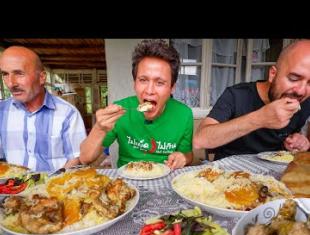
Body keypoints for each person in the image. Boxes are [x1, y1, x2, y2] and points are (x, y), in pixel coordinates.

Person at [80, 39, 193, 170]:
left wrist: (184, 158)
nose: (149, 91)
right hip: (126, 183)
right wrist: (99, 129)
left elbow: (188, 155)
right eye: (143, 80)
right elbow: (85, 158)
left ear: (172, 87)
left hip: (166, 178)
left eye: (160, 82)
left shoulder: (184, 114)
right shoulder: (119, 110)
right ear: (134, 83)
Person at [193, 40, 310, 160]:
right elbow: (200, 140)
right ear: (273, 74)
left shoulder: (305, 103)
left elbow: (289, 138)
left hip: (273, 175)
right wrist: (260, 118)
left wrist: (297, 140)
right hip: (227, 173)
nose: (301, 91)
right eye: (294, 78)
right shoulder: (236, 95)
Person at [0, 46, 86, 172]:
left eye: (19, 73)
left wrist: (51, 185)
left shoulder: (68, 113)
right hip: (10, 188)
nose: (11, 83)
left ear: (42, 77)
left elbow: (76, 159)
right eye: (5, 74)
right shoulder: (1, 112)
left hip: (52, 189)